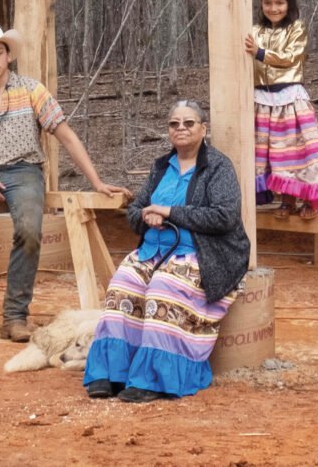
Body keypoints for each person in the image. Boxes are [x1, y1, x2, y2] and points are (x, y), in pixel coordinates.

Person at [0, 22, 130, 343]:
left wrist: (97, 182)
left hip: (24, 171)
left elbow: (66, 136)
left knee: (28, 230)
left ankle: (15, 317)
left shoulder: (31, 90)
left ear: (9, 55)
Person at [82, 100, 250, 404]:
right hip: (153, 252)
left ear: (203, 129)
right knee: (121, 285)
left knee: (163, 288)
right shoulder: (161, 166)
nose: (181, 128)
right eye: (174, 123)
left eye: (189, 123)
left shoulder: (217, 167)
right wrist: (147, 216)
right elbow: (136, 208)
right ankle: (113, 372)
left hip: (199, 254)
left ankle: (155, 378)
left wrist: (170, 212)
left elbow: (225, 216)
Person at [245, 0, 318, 214]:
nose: (273, 8)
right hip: (262, 101)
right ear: (261, 3)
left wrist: (260, 53)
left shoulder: (297, 28)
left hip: (290, 99)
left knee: (300, 150)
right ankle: (287, 200)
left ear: (289, 3)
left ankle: (311, 200)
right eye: (268, 3)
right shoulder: (254, 31)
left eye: (279, 3)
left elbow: (290, 57)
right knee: (277, 153)